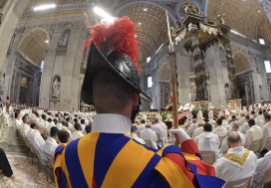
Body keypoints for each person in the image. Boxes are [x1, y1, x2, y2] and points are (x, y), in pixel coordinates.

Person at [54, 18, 224, 187]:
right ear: (136, 98)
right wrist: (187, 146)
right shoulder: (158, 167)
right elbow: (201, 178)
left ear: (94, 98)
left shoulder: (66, 155)